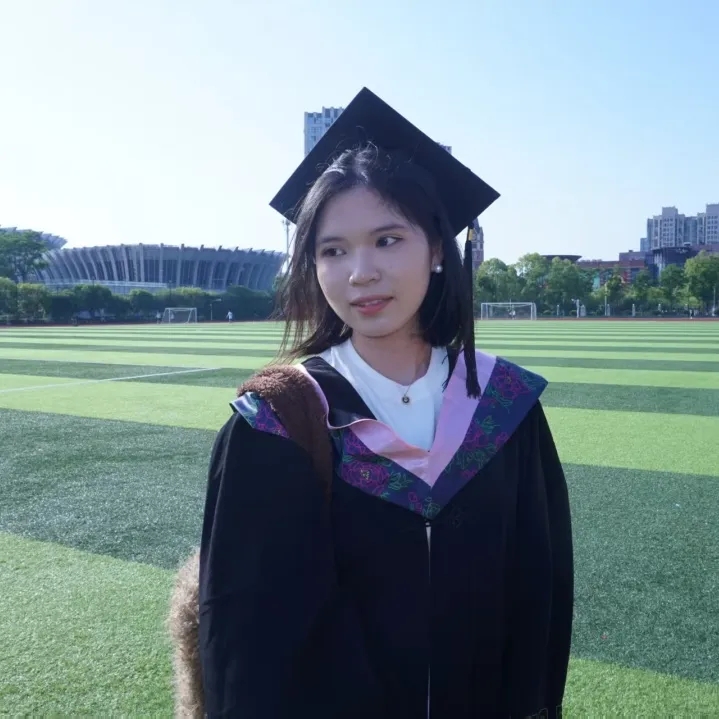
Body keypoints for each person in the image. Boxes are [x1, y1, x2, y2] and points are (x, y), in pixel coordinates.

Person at [198, 88, 574, 718]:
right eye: (333, 250)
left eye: (388, 239)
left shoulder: (505, 408)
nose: (360, 273)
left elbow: (539, 595)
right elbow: (244, 641)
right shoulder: (279, 422)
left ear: (437, 250)